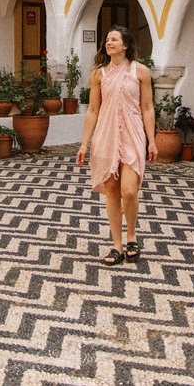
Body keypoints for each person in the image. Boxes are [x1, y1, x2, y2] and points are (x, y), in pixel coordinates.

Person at [76, 26, 158, 266]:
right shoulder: (99, 74)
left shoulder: (140, 71)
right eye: (107, 39)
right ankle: (116, 245)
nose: (109, 42)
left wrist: (151, 140)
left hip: (133, 134)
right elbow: (92, 110)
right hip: (106, 134)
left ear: (126, 45)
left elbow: (147, 108)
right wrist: (84, 144)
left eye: (114, 39)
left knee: (129, 190)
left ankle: (132, 235)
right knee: (112, 191)